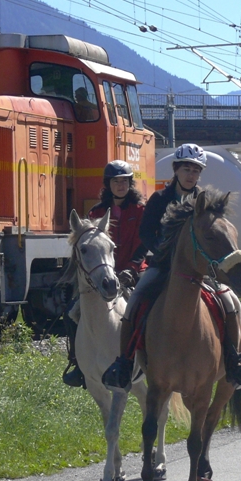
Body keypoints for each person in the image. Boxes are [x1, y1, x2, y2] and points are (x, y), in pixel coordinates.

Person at [100, 143, 241, 392]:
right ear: (176, 170)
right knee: (133, 304)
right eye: (187, 169)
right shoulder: (159, 199)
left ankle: (234, 359)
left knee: (229, 303)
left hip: (202, 269)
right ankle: (124, 364)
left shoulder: (205, 201)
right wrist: (166, 251)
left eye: (196, 171)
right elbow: (145, 232)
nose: (191, 175)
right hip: (163, 267)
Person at [62, 160, 147, 388]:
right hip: (102, 276)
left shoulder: (140, 211)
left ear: (130, 184)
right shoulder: (96, 212)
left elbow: (143, 243)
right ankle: (78, 364)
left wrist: (131, 269)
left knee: (148, 309)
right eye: (116, 181)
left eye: (125, 181)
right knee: (72, 313)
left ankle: (153, 360)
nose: (120, 185)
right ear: (108, 184)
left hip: (133, 272)